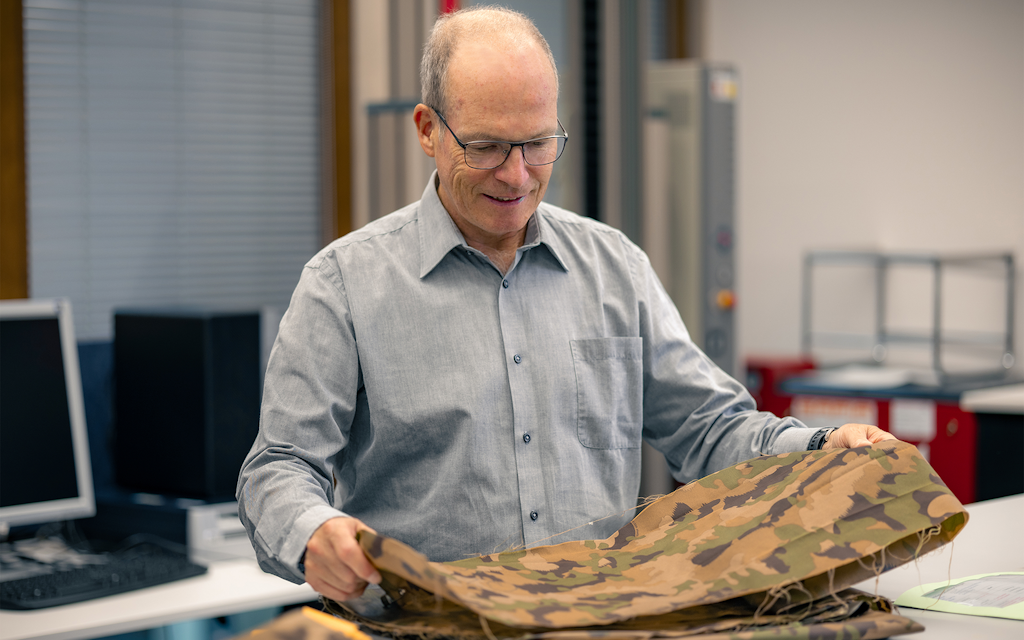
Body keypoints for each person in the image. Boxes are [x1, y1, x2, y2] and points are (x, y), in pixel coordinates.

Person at [237, 6, 895, 605]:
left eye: (537, 144)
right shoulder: (343, 285)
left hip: (597, 619)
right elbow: (278, 468)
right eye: (487, 147)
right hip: (426, 625)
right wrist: (313, 532)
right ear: (428, 130)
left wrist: (818, 446)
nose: (517, 176)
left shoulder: (615, 268)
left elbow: (709, 426)